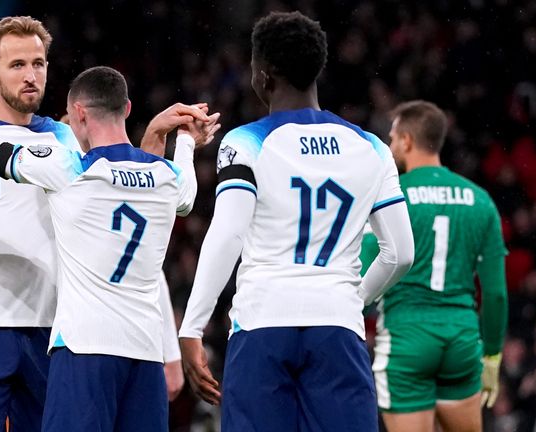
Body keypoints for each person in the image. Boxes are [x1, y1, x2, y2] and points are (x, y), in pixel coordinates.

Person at [0, 17, 211, 431]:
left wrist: (155, 137)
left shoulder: (66, 142)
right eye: (17, 65)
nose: (31, 75)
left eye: (39, 63)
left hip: (53, 329)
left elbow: (125, 209)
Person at [177, 11, 414, 431]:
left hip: (263, 324)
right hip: (337, 329)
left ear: (263, 77)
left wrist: (193, 325)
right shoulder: (373, 148)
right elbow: (400, 255)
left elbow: (228, 233)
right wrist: (351, 298)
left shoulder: (245, 141)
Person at [362, 100, 508, 432]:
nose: (389, 145)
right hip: (461, 340)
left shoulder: (392, 197)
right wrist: (493, 356)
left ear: (408, 140)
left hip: (406, 339)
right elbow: (496, 294)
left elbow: (363, 270)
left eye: (393, 137)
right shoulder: (480, 200)